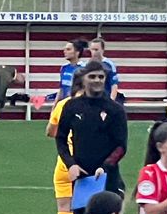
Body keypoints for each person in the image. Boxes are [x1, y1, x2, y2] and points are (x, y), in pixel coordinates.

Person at [55, 61, 128, 200]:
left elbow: (121, 146)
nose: (97, 80)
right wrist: (71, 164)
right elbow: (60, 138)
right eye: (92, 76)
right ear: (83, 78)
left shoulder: (115, 109)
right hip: (82, 178)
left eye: (101, 77)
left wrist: (104, 167)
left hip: (108, 178)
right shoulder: (72, 106)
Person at [45, 90, 75, 214]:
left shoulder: (63, 104)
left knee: (64, 213)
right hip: (82, 164)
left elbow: (50, 131)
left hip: (62, 164)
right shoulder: (92, 106)